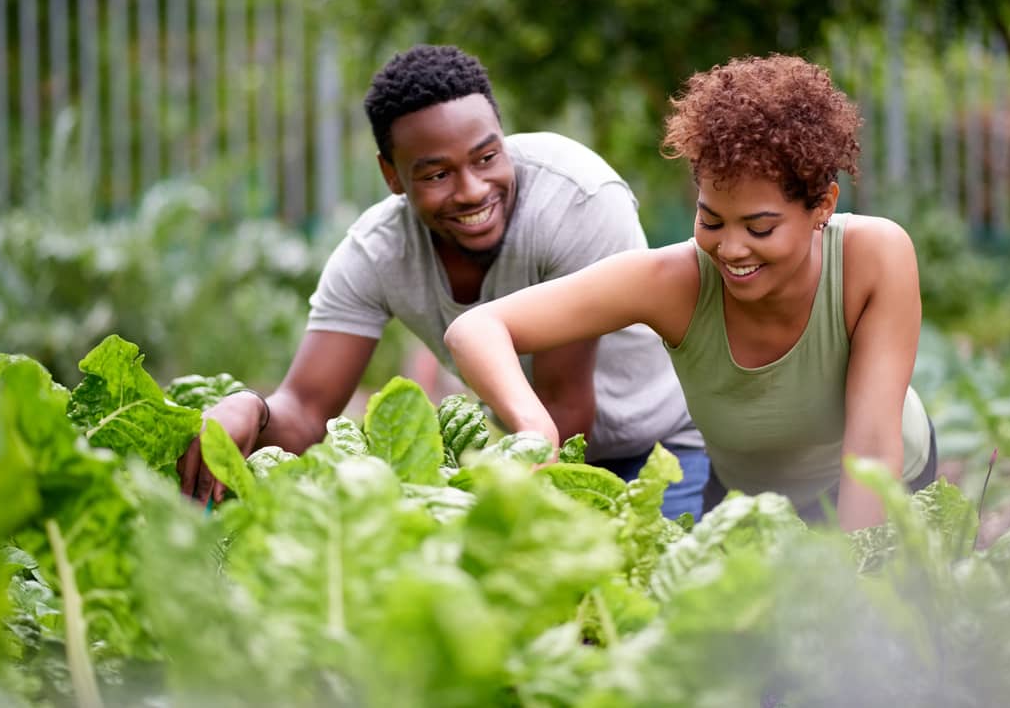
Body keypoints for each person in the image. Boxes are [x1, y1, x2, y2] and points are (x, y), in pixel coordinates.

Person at [177, 44, 708, 518]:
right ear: (393, 177)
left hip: (663, 451)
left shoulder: (576, 199)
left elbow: (564, 412)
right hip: (529, 456)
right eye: (436, 174)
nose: (472, 189)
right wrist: (251, 406)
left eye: (487, 157)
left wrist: (470, 514)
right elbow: (307, 411)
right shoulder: (377, 251)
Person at [444, 54, 936, 530]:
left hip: (889, 492)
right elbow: (476, 329)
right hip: (751, 507)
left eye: (760, 228)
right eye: (712, 219)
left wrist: (853, 580)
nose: (732, 249)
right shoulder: (675, 282)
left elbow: (870, 452)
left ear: (823, 205)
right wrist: (536, 426)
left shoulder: (874, 256)